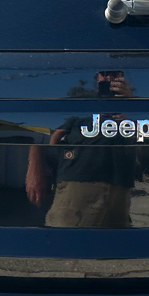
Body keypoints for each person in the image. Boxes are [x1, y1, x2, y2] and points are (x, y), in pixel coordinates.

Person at [25, 71, 138, 228]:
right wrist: (39, 168)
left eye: (115, 74)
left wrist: (130, 106)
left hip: (120, 189)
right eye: (104, 74)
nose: (109, 78)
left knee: (114, 248)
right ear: (96, 77)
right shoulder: (83, 104)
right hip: (79, 184)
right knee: (68, 244)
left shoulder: (134, 108)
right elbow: (47, 135)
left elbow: (147, 140)